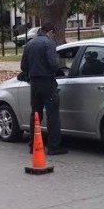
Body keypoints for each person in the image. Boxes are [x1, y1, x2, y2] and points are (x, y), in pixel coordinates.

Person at [20, 22, 67, 155]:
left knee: (35, 114)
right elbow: (53, 64)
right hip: (47, 82)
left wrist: (31, 74)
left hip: (34, 83)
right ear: (50, 32)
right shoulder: (49, 43)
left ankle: (33, 144)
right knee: (52, 114)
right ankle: (54, 146)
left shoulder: (29, 44)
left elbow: (23, 66)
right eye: (53, 34)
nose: (53, 36)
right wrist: (56, 69)